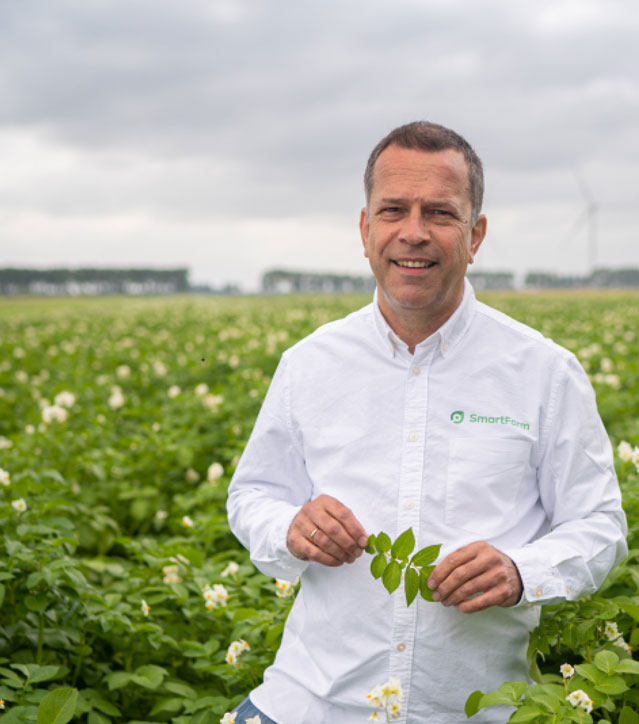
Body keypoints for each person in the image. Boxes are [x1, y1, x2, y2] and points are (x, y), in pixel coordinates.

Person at [227, 121, 627, 723]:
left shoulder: (544, 371)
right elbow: (251, 495)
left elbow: (600, 524)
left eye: (440, 212)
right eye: (393, 210)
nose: (412, 233)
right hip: (310, 703)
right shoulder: (309, 364)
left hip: (469, 710)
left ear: (476, 235)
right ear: (366, 230)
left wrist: (523, 571)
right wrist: (290, 528)